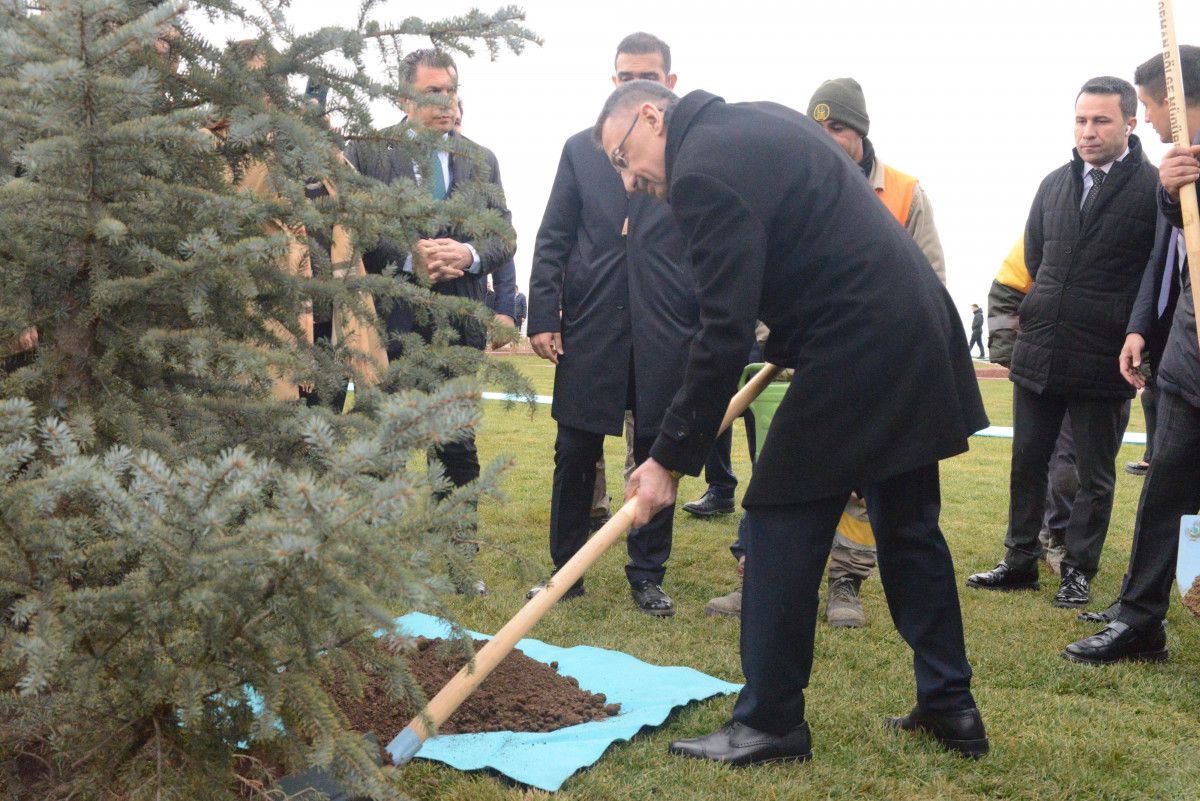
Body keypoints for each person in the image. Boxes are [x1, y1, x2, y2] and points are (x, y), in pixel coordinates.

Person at [596, 81, 989, 763]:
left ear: (652, 116)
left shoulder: (701, 171)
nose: (633, 183)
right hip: (912, 323)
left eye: (627, 160)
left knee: (778, 519)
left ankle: (770, 721)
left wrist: (666, 459)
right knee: (907, 526)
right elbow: (805, 249)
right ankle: (951, 704)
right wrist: (785, 342)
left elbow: (720, 331)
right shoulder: (757, 122)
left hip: (860, 341)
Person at [967, 76, 1158, 610]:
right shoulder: (1053, 184)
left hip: (1105, 358)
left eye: (1101, 120)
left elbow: (1155, 274)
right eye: (1081, 120)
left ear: (1130, 123)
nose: (1088, 132)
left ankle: (1077, 570)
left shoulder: (1152, 191)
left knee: (1093, 476)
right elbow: (1034, 259)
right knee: (1027, 462)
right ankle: (1019, 560)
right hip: (1041, 353)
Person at [526, 33, 699, 616]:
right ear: (613, 82)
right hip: (593, 324)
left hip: (664, 326)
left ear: (669, 85)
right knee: (575, 447)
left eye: (645, 76)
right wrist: (544, 313)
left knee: (656, 448)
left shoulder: (689, 156)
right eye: (624, 77)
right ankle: (565, 572)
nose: (634, 85)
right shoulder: (580, 150)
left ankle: (647, 574)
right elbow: (553, 236)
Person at [343, 49, 514, 595]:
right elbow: (352, 228)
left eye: (451, 91)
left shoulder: (481, 158)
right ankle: (377, 562)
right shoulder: (367, 154)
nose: (446, 103)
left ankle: (459, 561)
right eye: (433, 92)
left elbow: (504, 235)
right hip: (388, 323)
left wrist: (467, 253)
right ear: (403, 98)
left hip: (458, 326)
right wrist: (406, 254)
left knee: (457, 446)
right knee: (385, 443)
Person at [1068, 45, 1200, 635]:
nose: (1147, 118)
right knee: (1169, 484)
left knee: (1175, 486)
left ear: (1174, 96)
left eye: (1147, 105)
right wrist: (1141, 327)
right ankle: (1141, 611)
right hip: (1182, 355)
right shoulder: (1179, 170)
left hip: (1191, 354)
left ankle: (1152, 608)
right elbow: (1167, 257)